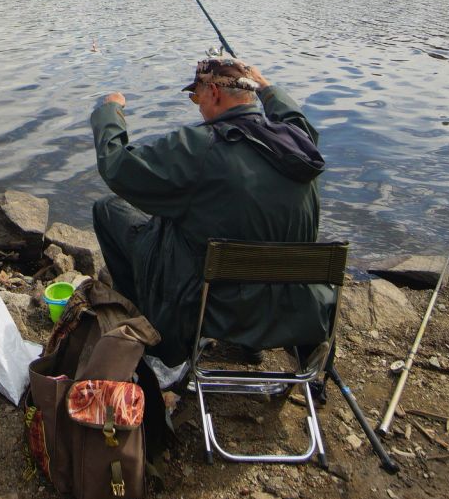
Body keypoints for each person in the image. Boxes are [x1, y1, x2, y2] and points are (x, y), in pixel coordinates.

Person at [90, 56, 328, 366]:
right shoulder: (298, 142)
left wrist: (109, 112)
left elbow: (118, 167)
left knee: (109, 211)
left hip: (214, 307)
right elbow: (293, 116)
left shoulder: (200, 148)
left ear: (214, 92)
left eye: (196, 96)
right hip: (295, 306)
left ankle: (154, 336)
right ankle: (255, 344)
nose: (197, 106)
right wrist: (267, 87)